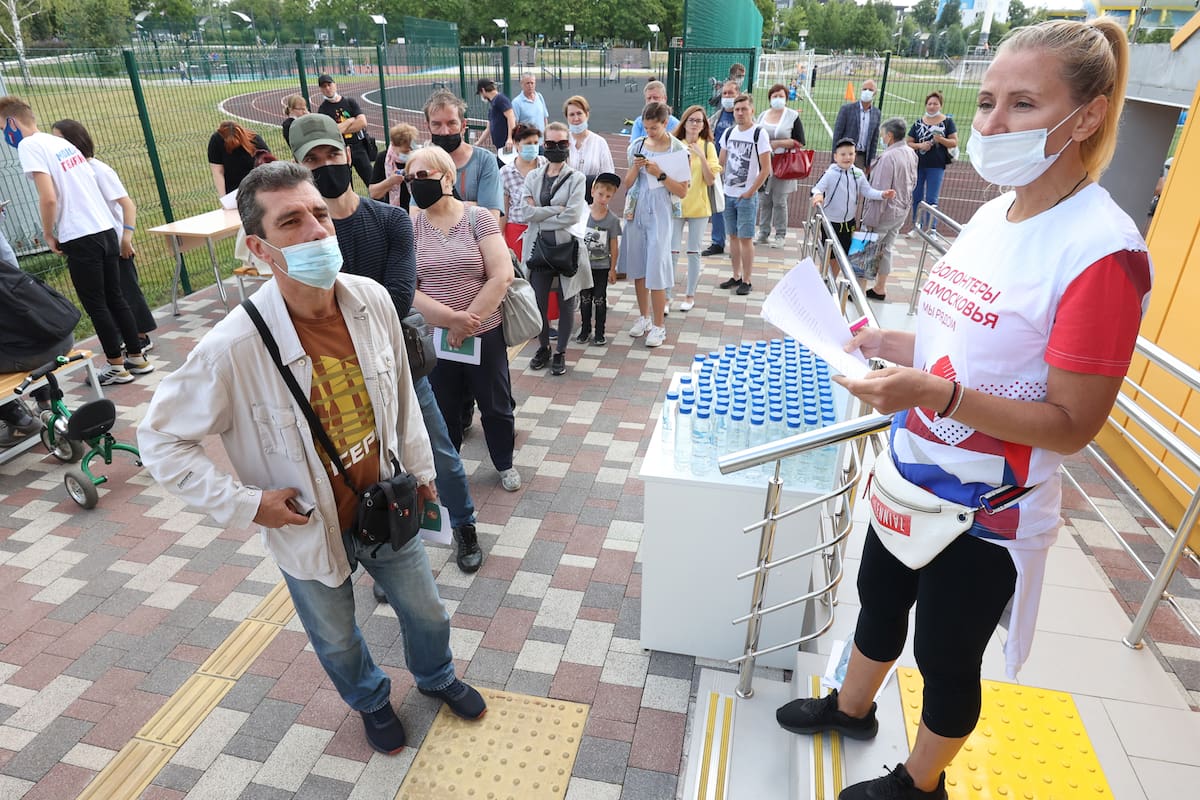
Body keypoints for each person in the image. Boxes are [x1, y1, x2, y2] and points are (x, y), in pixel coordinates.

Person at [777, 19, 1152, 800]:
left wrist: (938, 395)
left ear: (1087, 115)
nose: (989, 124)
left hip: (988, 511)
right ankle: (851, 709)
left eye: (1021, 104)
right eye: (986, 102)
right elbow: (962, 340)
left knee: (946, 656)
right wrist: (883, 339)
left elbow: (1073, 423)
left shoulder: (1102, 253)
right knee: (878, 602)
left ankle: (920, 784)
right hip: (913, 470)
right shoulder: (994, 213)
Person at [139, 162, 486, 757]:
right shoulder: (233, 346)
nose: (316, 232)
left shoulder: (371, 300)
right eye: (291, 222)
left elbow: (403, 396)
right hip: (306, 521)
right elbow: (160, 440)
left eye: (320, 214)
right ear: (259, 247)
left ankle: (435, 676)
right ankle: (373, 701)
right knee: (336, 635)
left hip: (384, 496)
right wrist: (246, 505)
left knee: (427, 611)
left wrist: (423, 474)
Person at [288, 113, 484, 575]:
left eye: (331, 155)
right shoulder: (300, 237)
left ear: (347, 153)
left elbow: (395, 300)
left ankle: (466, 524)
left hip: (397, 365)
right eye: (311, 161)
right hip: (337, 378)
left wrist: (331, 312)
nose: (325, 167)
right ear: (298, 169)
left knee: (439, 453)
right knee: (364, 468)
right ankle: (386, 546)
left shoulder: (390, 219)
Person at [1, 95, 152, 386]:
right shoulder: (62, 144)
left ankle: (116, 366)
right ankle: (137, 356)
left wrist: (48, 232)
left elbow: (48, 197)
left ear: (12, 123)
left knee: (96, 304)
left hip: (80, 234)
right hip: (105, 229)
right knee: (115, 297)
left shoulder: (29, 145)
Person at [406, 145, 520, 492]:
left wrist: (467, 321)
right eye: (410, 178)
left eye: (423, 176)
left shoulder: (478, 218)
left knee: (496, 405)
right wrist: (450, 320)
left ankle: (504, 462)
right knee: (444, 410)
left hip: (484, 333)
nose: (416, 184)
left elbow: (501, 275)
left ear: (448, 176)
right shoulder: (411, 227)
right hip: (437, 338)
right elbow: (408, 288)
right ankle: (450, 469)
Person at [51, 119, 156, 354]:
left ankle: (140, 337)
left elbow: (128, 204)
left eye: (59, 140)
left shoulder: (99, 169)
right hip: (100, 242)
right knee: (111, 295)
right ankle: (124, 338)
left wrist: (126, 237)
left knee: (126, 291)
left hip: (115, 242)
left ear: (74, 142)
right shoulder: (75, 173)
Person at [523, 122, 591, 377]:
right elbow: (524, 212)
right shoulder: (533, 176)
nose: (556, 148)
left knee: (566, 302)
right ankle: (543, 347)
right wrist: (554, 211)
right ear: (544, 144)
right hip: (538, 249)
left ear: (568, 145)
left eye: (562, 144)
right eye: (550, 144)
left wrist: (539, 214)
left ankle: (560, 351)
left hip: (566, 248)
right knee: (537, 302)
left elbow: (572, 216)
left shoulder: (577, 178)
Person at [622, 101, 689, 349]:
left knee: (657, 267)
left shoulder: (677, 148)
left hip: (661, 211)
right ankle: (644, 317)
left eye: (654, 128)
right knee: (639, 267)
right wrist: (637, 168)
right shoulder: (637, 146)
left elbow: (682, 191)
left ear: (665, 123)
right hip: (637, 210)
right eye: (646, 127)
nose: (649, 132)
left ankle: (660, 326)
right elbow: (627, 182)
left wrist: (660, 173)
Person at [0, 243, 73, 446]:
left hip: (37, 353)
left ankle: (19, 420)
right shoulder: (6, 265)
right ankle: (46, 402)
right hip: (62, 337)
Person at [717, 94, 771, 297]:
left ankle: (747, 279)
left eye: (744, 109)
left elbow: (766, 169)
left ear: (752, 110)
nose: (740, 113)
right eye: (737, 109)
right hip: (728, 193)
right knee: (732, 237)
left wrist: (749, 192)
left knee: (746, 238)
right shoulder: (729, 133)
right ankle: (736, 275)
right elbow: (720, 164)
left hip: (746, 196)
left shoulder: (759, 134)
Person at [424, 90, 503, 221]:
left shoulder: (484, 160)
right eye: (436, 124)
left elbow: (491, 217)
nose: (444, 132)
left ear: (463, 125)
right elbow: (417, 215)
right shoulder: (424, 162)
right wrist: (474, 205)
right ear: (428, 127)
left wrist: (440, 208)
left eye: (451, 123)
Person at [860, 117, 917, 301]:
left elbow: (880, 191)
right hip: (901, 209)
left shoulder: (887, 158)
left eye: (884, 135)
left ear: (890, 135)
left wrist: (869, 220)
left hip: (885, 213)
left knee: (866, 249)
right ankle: (879, 288)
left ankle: (859, 290)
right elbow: (913, 182)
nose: (883, 138)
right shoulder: (910, 152)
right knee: (887, 249)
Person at [671, 105, 720, 312]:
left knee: (694, 252)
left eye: (699, 121)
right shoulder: (674, 144)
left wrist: (700, 156)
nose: (694, 124)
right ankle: (665, 296)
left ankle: (690, 295)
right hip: (676, 204)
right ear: (684, 122)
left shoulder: (708, 146)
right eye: (691, 120)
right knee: (671, 251)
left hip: (700, 207)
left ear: (704, 125)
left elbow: (710, 180)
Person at [811, 138, 894, 257]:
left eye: (851, 154)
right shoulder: (830, 174)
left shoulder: (858, 173)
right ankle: (824, 274)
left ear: (855, 155)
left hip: (849, 222)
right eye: (843, 154)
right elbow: (817, 188)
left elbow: (868, 191)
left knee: (843, 254)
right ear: (835, 157)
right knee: (829, 254)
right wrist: (818, 195)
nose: (847, 157)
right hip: (831, 222)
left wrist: (882, 194)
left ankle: (833, 276)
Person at [754, 83, 807, 249]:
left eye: (781, 96)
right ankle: (763, 232)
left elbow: (800, 141)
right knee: (764, 199)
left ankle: (780, 234)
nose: (778, 99)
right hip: (764, 162)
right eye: (775, 96)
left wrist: (778, 143)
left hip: (783, 163)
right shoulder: (763, 115)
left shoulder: (792, 116)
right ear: (770, 98)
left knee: (779, 200)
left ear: (786, 98)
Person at [576, 172, 622, 346]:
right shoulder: (583, 214)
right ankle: (585, 329)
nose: (603, 199)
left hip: (602, 267)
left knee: (600, 299)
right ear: (593, 191)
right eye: (601, 194)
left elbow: (614, 245)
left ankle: (600, 332)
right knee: (585, 299)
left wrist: (613, 268)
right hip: (583, 266)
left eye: (608, 196)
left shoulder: (612, 220)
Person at [906, 91, 958, 232]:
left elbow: (954, 142)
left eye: (935, 104)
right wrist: (920, 146)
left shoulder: (947, 122)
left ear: (940, 105)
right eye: (929, 104)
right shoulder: (918, 123)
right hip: (918, 164)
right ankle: (917, 226)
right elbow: (909, 142)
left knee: (931, 198)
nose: (932, 106)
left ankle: (931, 228)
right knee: (916, 196)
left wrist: (941, 139)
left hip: (936, 165)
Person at [702, 80, 740, 257]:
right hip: (716, 168)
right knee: (717, 204)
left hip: (737, 171)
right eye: (724, 93)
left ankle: (737, 244)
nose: (727, 97)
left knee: (734, 207)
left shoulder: (743, 118)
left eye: (731, 94)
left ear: (738, 95)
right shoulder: (717, 116)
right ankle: (717, 242)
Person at [316, 74, 373, 188]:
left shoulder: (349, 102)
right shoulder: (323, 110)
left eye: (329, 84)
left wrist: (340, 128)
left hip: (358, 147)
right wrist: (349, 121)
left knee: (371, 180)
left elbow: (362, 123)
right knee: (346, 185)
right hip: (340, 150)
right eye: (324, 86)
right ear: (321, 90)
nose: (327, 88)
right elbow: (331, 132)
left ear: (335, 85)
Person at [500, 123, 546, 255]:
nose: (532, 146)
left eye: (535, 142)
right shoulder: (506, 172)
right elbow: (504, 209)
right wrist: (499, 235)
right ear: (516, 143)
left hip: (542, 228)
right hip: (516, 228)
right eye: (528, 143)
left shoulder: (545, 165)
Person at [563, 95, 614, 202]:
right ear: (566, 118)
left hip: (593, 204)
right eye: (571, 114)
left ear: (587, 114)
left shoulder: (600, 143)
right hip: (566, 203)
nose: (576, 118)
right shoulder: (561, 142)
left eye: (579, 113)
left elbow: (608, 176)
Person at [208, 120, 271, 197]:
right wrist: (223, 198)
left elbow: (269, 166)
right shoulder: (216, 141)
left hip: (256, 187)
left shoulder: (255, 139)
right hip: (232, 190)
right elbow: (218, 172)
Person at [832, 79, 882, 175]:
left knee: (856, 185)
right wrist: (835, 157)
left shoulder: (876, 113)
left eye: (870, 90)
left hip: (861, 157)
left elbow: (874, 140)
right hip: (845, 154)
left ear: (875, 93)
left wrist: (870, 163)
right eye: (865, 89)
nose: (867, 92)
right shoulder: (847, 109)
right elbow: (837, 135)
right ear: (860, 90)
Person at [368, 123, 418, 211]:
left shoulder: (418, 157)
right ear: (394, 145)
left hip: (416, 209)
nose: (409, 153)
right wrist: (390, 181)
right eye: (405, 151)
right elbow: (373, 193)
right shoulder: (384, 158)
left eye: (410, 149)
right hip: (393, 210)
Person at [476, 78, 515, 153]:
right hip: (500, 145)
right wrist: (478, 143)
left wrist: (510, 138)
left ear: (483, 90)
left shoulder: (500, 99)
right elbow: (489, 128)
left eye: (480, 93)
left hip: (506, 144)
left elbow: (511, 117)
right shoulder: (493, 103)